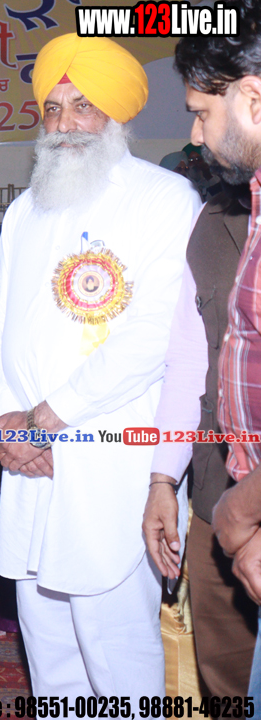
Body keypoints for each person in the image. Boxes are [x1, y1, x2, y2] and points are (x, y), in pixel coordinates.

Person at [0, 34, 200, 700]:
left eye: (83, 106)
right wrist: (6, 416)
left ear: (116, 113)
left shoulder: (166, 199)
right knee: (50, 661)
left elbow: (154, 336)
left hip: (111, 464)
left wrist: (49, 417)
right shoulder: (24, 210)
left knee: (119, 663)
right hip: (31, 466)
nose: (66, 124)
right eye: (53, 109)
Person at [172, 4, 261, 697]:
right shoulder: (228, 213)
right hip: (220, 488)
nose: (195, 136)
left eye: (202, 113)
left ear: (252, 98)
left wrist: (245, 506)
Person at [142, 183, 258, 696]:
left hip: (246, 503)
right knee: (225, 681)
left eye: (205, 137)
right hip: (217, 497)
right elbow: (190, 360)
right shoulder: (212, 219)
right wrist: (164, 479)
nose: (195, 143)